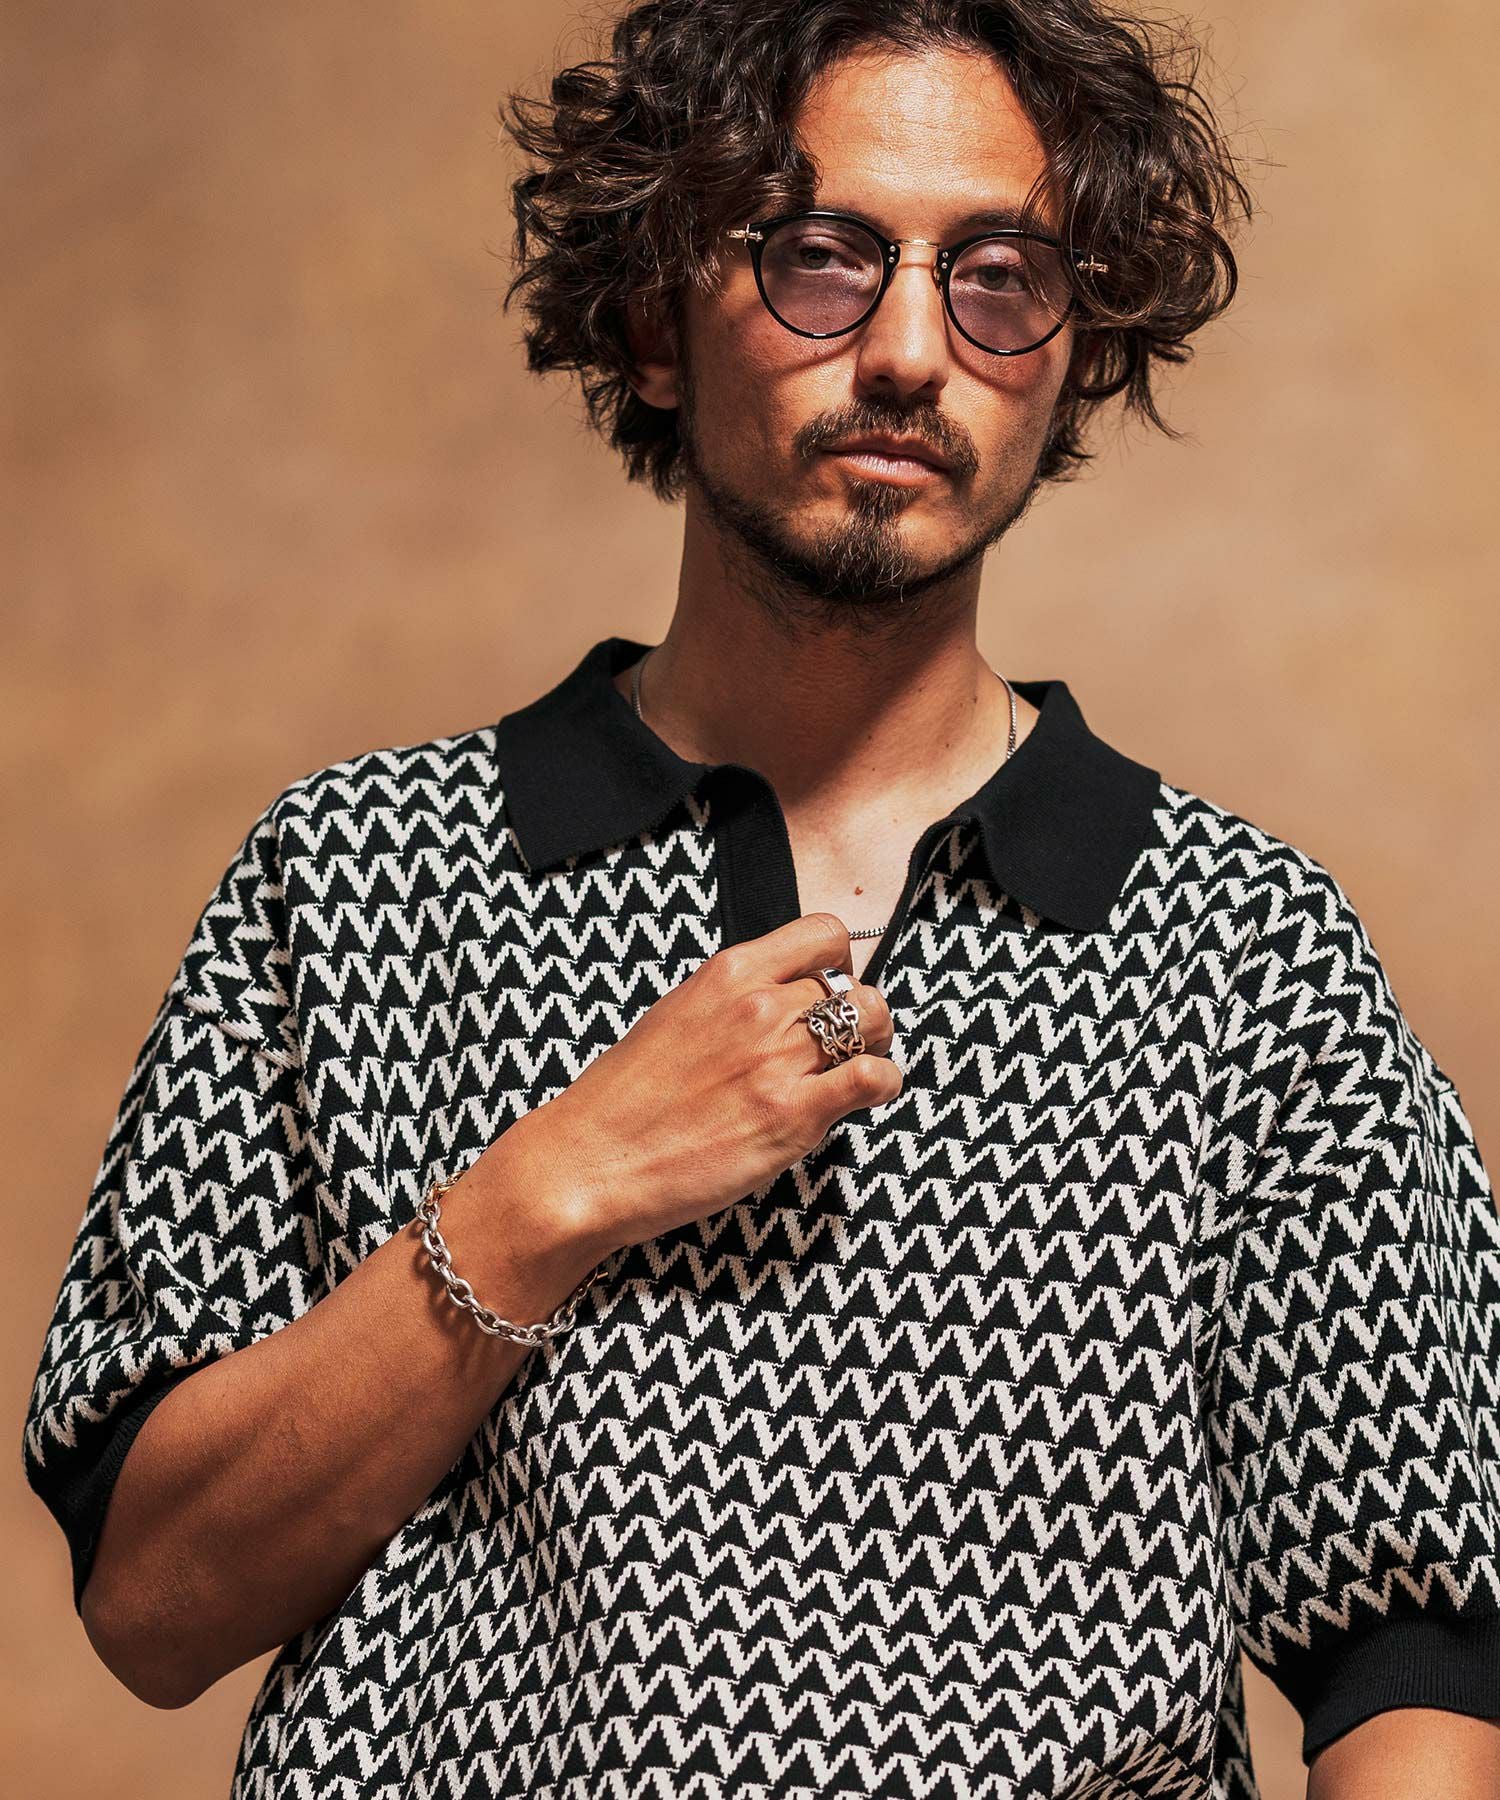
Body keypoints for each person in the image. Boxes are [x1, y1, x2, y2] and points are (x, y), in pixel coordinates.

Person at [21, 2, 1500, 1796]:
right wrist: (549, 1194)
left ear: (1071, 358)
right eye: (822, 256)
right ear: (657, 323)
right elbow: (152, 1603)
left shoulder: (1247, 956)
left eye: (1000, 277)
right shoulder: (353, 879)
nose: (910, 352)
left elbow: (1419, 1658)